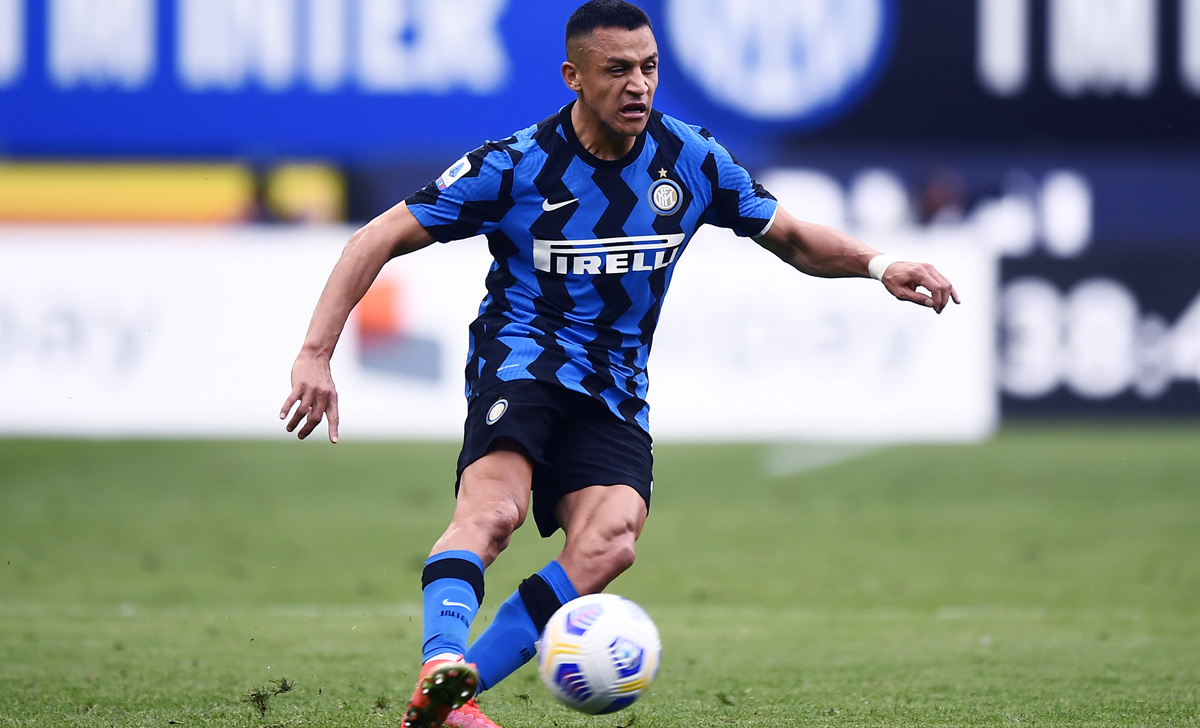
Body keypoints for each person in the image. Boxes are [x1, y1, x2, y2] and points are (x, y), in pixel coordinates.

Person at [280, 2, 960, 727]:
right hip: (524, 359)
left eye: (649, 67)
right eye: (617, 70)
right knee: (495, 512)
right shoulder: (514, 165)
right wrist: (316, 354)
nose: (639, 84)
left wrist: (880, 264)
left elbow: (792, 237)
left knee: (610, 542)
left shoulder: (691, 159)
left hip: (615, 385)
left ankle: (452, 696)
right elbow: (374, 238)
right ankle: (441, 657)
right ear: (573, 77)